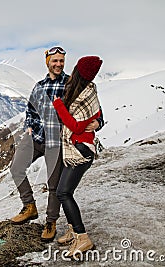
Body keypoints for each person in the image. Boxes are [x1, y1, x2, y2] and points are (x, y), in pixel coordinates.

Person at [9, 47, 104, 242]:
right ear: (47, 62)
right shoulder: (39, 86)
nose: (59, 64)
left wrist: (99, 122)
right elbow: (30, 111)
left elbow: (95, 109)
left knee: (54, 185)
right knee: (16, 167)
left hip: (57, 141)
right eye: (55, 61)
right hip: (35, 138)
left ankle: (51, 222)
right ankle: (29, 206)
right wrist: (30, 127)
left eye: (61, 61)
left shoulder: (73, 84)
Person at [52, 55, 103, 257]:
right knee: (63, 192)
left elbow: (76, 125)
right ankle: (74, 230)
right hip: (72, 148)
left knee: (63, 193)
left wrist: (58, 106)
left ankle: (82, 237)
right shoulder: (77, 89)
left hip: (80, 151)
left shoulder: (86, 95)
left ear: (79, 71)